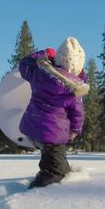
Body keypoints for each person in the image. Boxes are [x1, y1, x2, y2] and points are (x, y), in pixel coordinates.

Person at [18, 37, 89, 188]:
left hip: (32, 130)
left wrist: (44, 54)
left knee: (58, 163)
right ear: (78, 68)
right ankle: (34, 194)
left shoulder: (39, 74)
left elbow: (24, 63)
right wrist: (75, 130)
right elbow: (77, 114)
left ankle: (63, 172)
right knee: (54, 172)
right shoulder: (73, 90)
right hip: (52, 136)